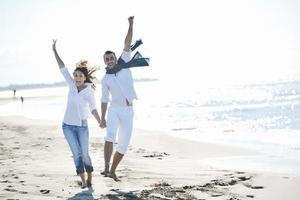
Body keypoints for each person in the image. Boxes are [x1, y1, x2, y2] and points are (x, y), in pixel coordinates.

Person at [52, 40, 102, 188]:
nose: (77, 78)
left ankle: (90, 176)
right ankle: (84, 180)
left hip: (82, 126)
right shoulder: (71, 85)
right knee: (76, 154)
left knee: (85, 154)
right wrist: (55, 51)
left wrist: (100, 121)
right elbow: (63, 68)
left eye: (80, 76)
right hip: (67, 126)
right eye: (76, 76)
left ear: (85, 77)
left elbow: (93, 108)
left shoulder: (89, 91)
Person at [100, 16, 138, 181]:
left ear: (116, 59)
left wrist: (130, 25)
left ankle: (113, 170)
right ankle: (106, 167)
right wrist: (102, 117)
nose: (110, 61)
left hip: (128, 110)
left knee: (123, 144)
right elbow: (103, 99)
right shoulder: (105, 79)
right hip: (114, 110)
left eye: (111, 58)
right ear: (105, 62)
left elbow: (127, 42)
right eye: (107, 59)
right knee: (110, 136)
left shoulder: (124, 63)